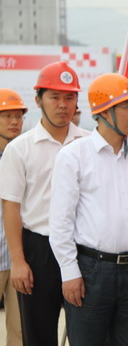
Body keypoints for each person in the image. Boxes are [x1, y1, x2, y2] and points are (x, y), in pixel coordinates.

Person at [49, 73, 128, 346]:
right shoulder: (73, 156)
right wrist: (70, 272)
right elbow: (60, 222)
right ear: (104, 112)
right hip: (91, 271)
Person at [0, 62, 87, 346]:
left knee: (87, 333)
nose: (63, 105)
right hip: (38, 250)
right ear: (38, 100)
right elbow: (11, 207)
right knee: (38, 334)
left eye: (69, 97)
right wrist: (18, 261)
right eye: (54, 97)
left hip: (83, 250)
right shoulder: (19, 149)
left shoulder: (88, 144)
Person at [0, 88, 26, 345]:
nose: (14, 122)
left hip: (19, 258)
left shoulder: (24, 155)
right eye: (7, 116)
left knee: (20, 330)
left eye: (18, 116)